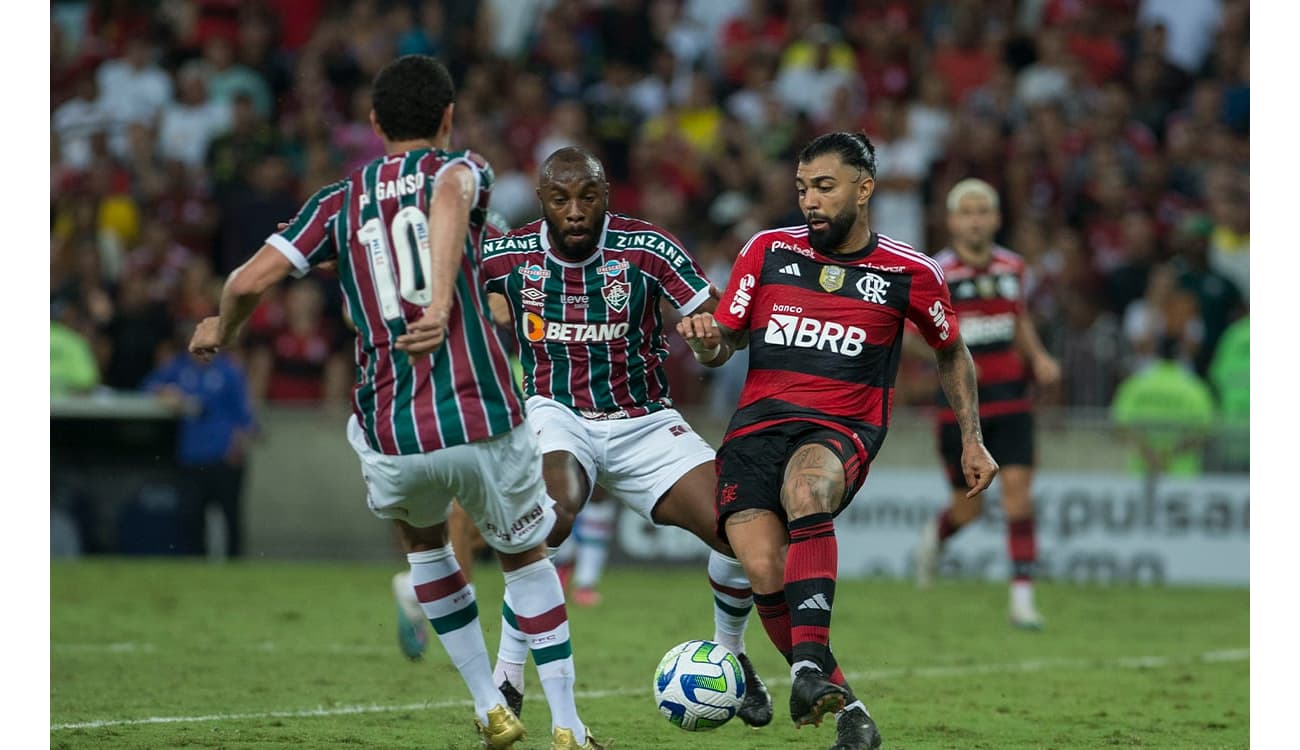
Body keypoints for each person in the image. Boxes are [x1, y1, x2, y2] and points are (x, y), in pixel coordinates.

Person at [188, 55, 602, 750]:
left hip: (389, 427)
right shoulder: (460, 168)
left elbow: (249, 278)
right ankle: (567, 724)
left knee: (423, 547)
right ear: (447, 118)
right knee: (527, 556)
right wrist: (440, 301)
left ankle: (488, 707)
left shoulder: (336, 200)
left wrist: (221, 328)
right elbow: (448, 198)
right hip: (479, 412)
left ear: (374, 122)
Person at [677, 131, 998, 750]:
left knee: (807, 490)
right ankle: (848, 710)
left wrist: (972, 440)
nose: (811, 202)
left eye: (824, 187)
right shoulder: (767, 251)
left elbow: (951, 353)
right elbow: (727, 342)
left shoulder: (910, 273)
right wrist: (706, 340)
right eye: (803, 189)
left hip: (840, 427)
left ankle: (802, 669)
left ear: (865, 188)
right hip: (755, 429)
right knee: (765, 569)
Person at [479, 146, 773, 729]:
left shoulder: (647, 247)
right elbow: (426, 271)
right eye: (561, 200)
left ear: (606, 196)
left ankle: (732, 657)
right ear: (542, 203)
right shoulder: (506, 255)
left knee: (741, 528)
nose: (576, 211)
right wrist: (331, 251)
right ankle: (507, 676)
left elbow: (722, 335)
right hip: (555, 410)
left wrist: (708, 339)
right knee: (551, 515)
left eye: (588, 197)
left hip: (643, 421)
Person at [909, 178, 1061, 630]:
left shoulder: (1014, 267)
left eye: (983, 211)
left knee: (1018, 498)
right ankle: (934, 540)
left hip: (1013, 398)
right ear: (953, 221)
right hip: (959, 408)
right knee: (968, 510)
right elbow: (908, 336)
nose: (975, 220)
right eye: (966, 212)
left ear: (995, 219)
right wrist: (951, 350)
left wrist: (1038, 357)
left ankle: (1022, 601)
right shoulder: (935, 273)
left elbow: (1019, 318)